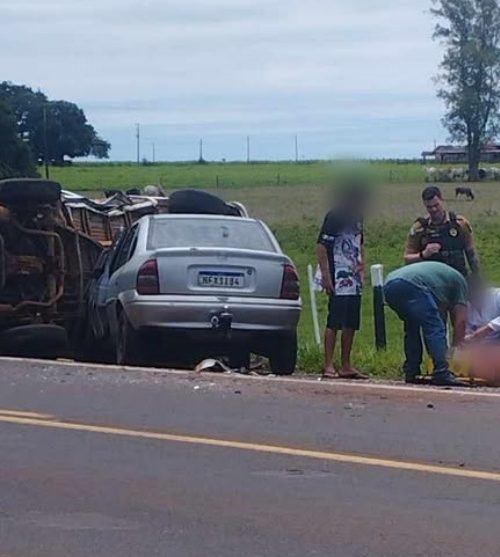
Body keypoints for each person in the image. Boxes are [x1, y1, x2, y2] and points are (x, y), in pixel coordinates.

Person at [384, 261, 468, 386]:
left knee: (412, 326)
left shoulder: (442, 281)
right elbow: (461, 321)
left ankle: (411, 370)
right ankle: (442, 372)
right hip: (413, 284)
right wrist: (454, 351)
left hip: (390, 285)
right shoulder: (461, 284)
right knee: (434, 327)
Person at [317, 186, 368, 380]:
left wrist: (363, 263)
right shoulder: (334, 216)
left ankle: (346, 364)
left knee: (351, 322)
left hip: (353, 274)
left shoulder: (358, 216)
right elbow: (321, 246)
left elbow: (360, 241)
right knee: (335, 320)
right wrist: (326, 275)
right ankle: (328, 364)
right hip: (337, 273)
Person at [404, 186, 479, 277]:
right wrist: (423, 254)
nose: (433, 210)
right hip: (430, 280)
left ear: (442, 201)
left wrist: (477, 278)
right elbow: (407, 258)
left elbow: (471, 254)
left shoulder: (460, 224)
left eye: (436, 205)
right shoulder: (419, 228)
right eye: (429, 207)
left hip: (458, 278)